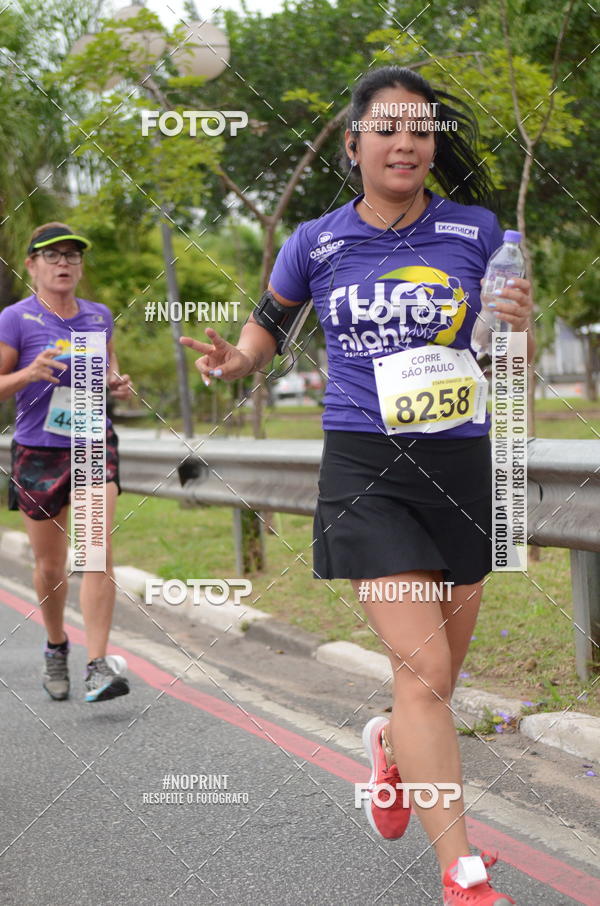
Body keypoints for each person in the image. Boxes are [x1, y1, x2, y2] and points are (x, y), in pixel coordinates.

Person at [181, 66, 533, 905]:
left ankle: (388, 747)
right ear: (355, 144)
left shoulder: (477, 230)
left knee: (437, 681)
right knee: (419, 673)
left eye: (420, 127)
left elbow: (497, 340)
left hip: (460, 465)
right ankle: (464, 873)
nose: (406, 140)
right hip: (365, 469)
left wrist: (516, 320)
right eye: (387, 127)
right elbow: (268, 325)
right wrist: (239, 361)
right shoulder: (317, 240)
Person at [0, 222, 133, 703]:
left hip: (92, 442)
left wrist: (117, 381)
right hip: (39, 448)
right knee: (49, 566)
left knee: (95, 548)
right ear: (32, 265)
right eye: (52, 256)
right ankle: (56, 645)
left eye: (72, 257)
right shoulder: (14, 319)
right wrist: (27, 373)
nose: (63, 264)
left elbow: (109, 367)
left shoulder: (99, 316)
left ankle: (98, 665)